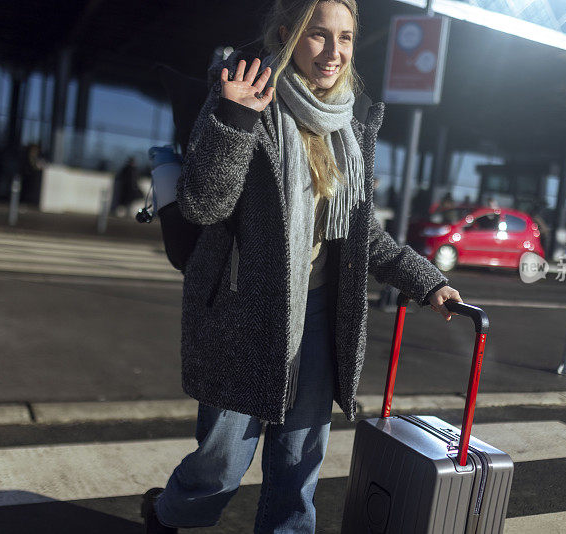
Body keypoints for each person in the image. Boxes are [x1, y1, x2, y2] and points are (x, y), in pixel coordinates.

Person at [141, 1, 463, 533]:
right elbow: (203, 206)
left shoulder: (351, 122)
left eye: (346, 38)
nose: (334, 53)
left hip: (321, 313)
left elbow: (362, 235)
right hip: (245, 310)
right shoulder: (246, 96)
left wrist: (428, 280)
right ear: (288, 35)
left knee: (298, 467)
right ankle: (167, 511)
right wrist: (234, 119)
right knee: (221, 464)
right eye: (318, 36)